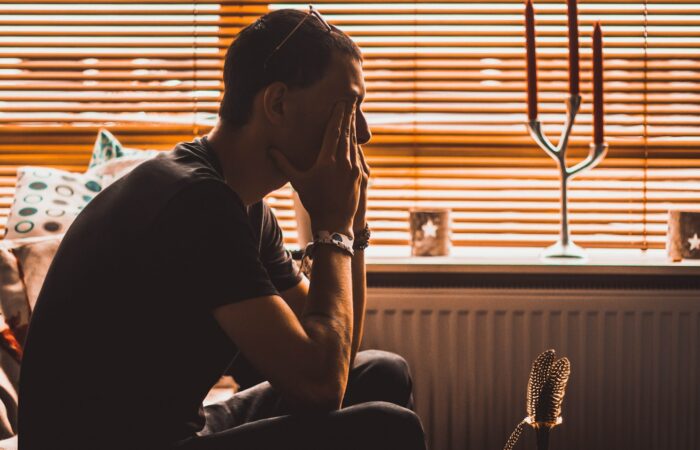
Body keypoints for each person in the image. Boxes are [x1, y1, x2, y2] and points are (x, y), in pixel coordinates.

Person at [18, 7, 427, 450]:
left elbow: (336, 357)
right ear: (277, 103)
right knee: (389, 427)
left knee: (382, 371)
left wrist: (352, 227)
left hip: (172, 432)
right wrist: (332, 228)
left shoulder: (243, 208)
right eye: (349, 107)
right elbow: (320, 384)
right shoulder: (195, 202)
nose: (362, 134)